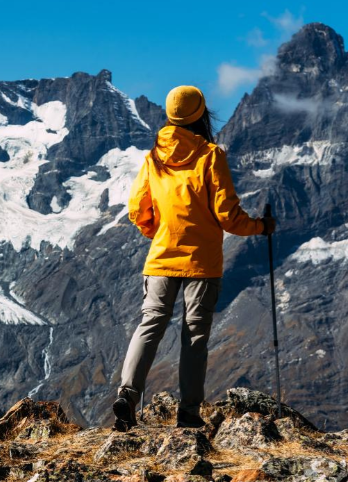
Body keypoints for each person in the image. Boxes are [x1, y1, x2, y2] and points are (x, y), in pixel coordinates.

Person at [113, 85, 276, 431]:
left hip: (160, 259)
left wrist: (159, 231)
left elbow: (136, 210)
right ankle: (188, 413)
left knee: (150, 324)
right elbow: (228, 217)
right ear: (201, 114)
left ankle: (127, 395)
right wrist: (261, 227)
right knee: (194, 336)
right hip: (202, 264)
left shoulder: (154, 157)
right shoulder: (211, 155)